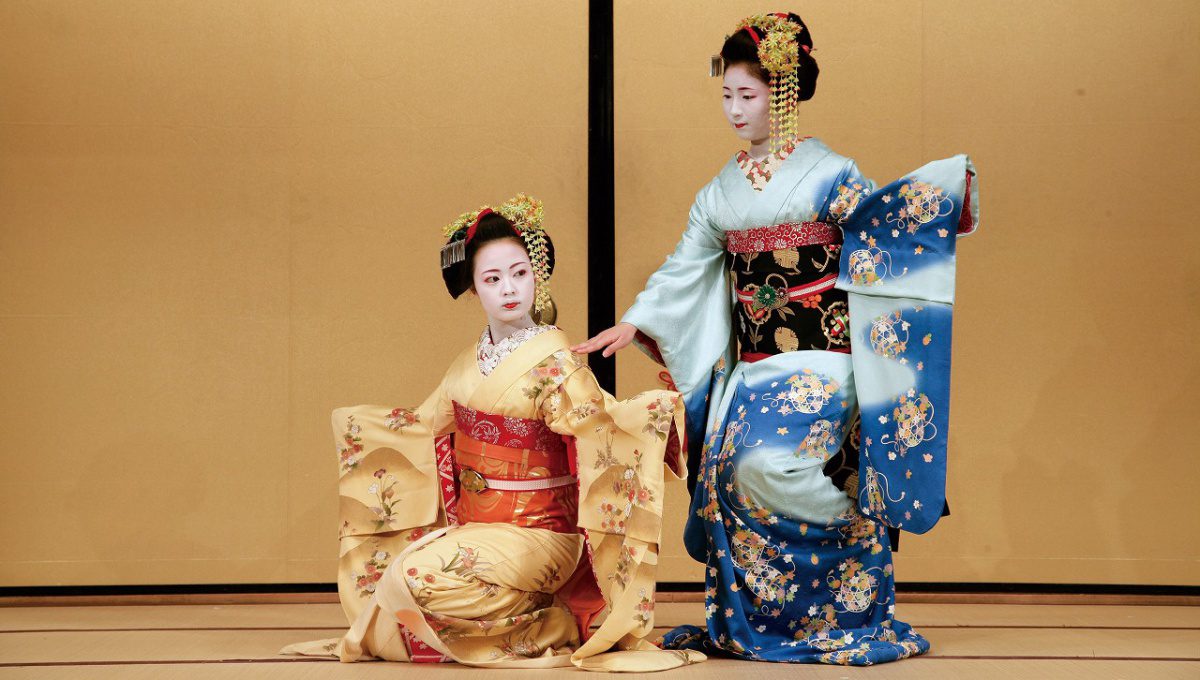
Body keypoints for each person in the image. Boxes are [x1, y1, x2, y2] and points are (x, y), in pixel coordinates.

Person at [573, 13, 978, 665]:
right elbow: (685, 266)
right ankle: (759, 619)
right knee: (728, 475)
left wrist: (937, 206)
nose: (734, 109)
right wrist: (637, 320)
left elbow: (882, 234)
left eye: (748, 95)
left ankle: (846, 594)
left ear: (782, 95)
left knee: (769, 466)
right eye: (727, 95)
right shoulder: (719, 193)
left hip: (825, 361)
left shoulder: (832, 174)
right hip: (753, 370)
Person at [284, 195, 703, 672]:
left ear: (536, 277)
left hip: (542, 534)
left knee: (416, 577)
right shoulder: (467, 364)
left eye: (520, 273)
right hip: (482, 528)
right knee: (391, 583)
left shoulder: (556, 364)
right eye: (493, 278)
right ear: (473, 291)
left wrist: (659, 412)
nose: (509, 289)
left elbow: (604, 429)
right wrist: (355, 429)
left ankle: (560, 624)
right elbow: (423, 428)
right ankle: (539, 618)